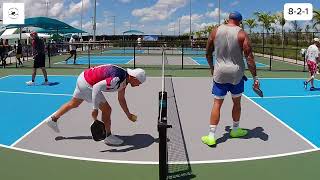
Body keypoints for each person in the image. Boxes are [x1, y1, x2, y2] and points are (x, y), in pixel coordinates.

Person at [46, 64, 146, 146]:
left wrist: (128, 114)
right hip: (88, 84)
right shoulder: (117, 79)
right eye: (139, 82)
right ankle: (108, 136)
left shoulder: (124, 80)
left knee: (74, 103)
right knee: (107, 109)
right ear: (133, 77)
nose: (138, 85)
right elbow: (96, 87)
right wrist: (95, 109)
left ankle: (53, 119)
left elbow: (121, 99)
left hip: (84, 77)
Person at [201, 11, 260, 146]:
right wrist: (255, 77)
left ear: (228, 19)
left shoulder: (215, 31)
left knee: (217, 104)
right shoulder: (242, 34)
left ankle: (211, 136)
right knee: (237, 103)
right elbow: (249, 58)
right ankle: (235, 130)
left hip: (220, 73)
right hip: (236, 75)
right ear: (240, 21)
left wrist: (211, 67)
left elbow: (208, 52)